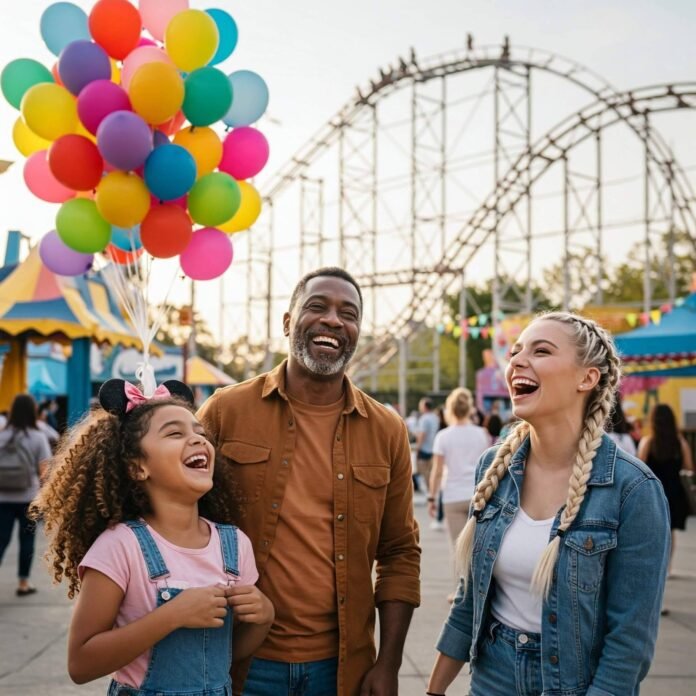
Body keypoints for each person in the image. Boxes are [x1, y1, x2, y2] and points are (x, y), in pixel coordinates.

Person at [197, 267, 421, 696]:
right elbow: (176, 518)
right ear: (287, 322)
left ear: (357, 332)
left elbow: (399, 553)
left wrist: (388, 664)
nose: (334, 320)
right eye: (317, 306)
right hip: (239, 658)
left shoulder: (386, 430)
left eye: (349, 314)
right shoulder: (227, 410)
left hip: (340, 669)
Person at [427, 312, 670, 696]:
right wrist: (434, 690)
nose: (517, 361)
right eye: (517, 351)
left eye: (541, 351)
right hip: (492, 679)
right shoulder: (494, 467)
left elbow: (629, 645)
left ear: (587, 378)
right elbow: (469, 601)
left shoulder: (633, 489)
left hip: (575, 685)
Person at [30, 378, 274, 694]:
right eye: (175, 433)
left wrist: (264, 617)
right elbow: (81, 663)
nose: (197, 440)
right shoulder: (120, 546)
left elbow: (225, 655)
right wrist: (172, 616)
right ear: (137, 468)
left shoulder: (235, 545)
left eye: (200, 433)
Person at [428, 388, 490, 600]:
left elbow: (437, 471)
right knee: (476, 546)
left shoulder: (443, 436)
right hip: (478, 494)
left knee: (457, 546)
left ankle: (460, 591)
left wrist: (431, 497)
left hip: (452, 496)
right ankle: (480, 590)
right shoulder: (481, 433)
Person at [0, 393, 52, 596]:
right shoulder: (38, 436)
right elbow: (45, 471)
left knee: (1, 541)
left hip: (2, 498)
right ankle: (23, 583)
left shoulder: (1, 435)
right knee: (27, 541)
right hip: (28, 498)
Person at [638, 403, 694, 576]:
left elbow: (639, 465)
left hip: (653, 492)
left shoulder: (648, 442)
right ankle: (668, 567)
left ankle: (654, 565)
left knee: (651, 529)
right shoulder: (680, 442)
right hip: (674, 492)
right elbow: (689, 466)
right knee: (670, 531)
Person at [415, 397, 440, 499]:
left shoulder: (424, 418)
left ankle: (430, 491)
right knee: (431, 470)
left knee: (423, 470)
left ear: (424, 406)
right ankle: (433, 490)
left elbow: (422, 434)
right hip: (434, 447)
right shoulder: (435, 417)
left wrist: (418, 448)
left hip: (425, 448)